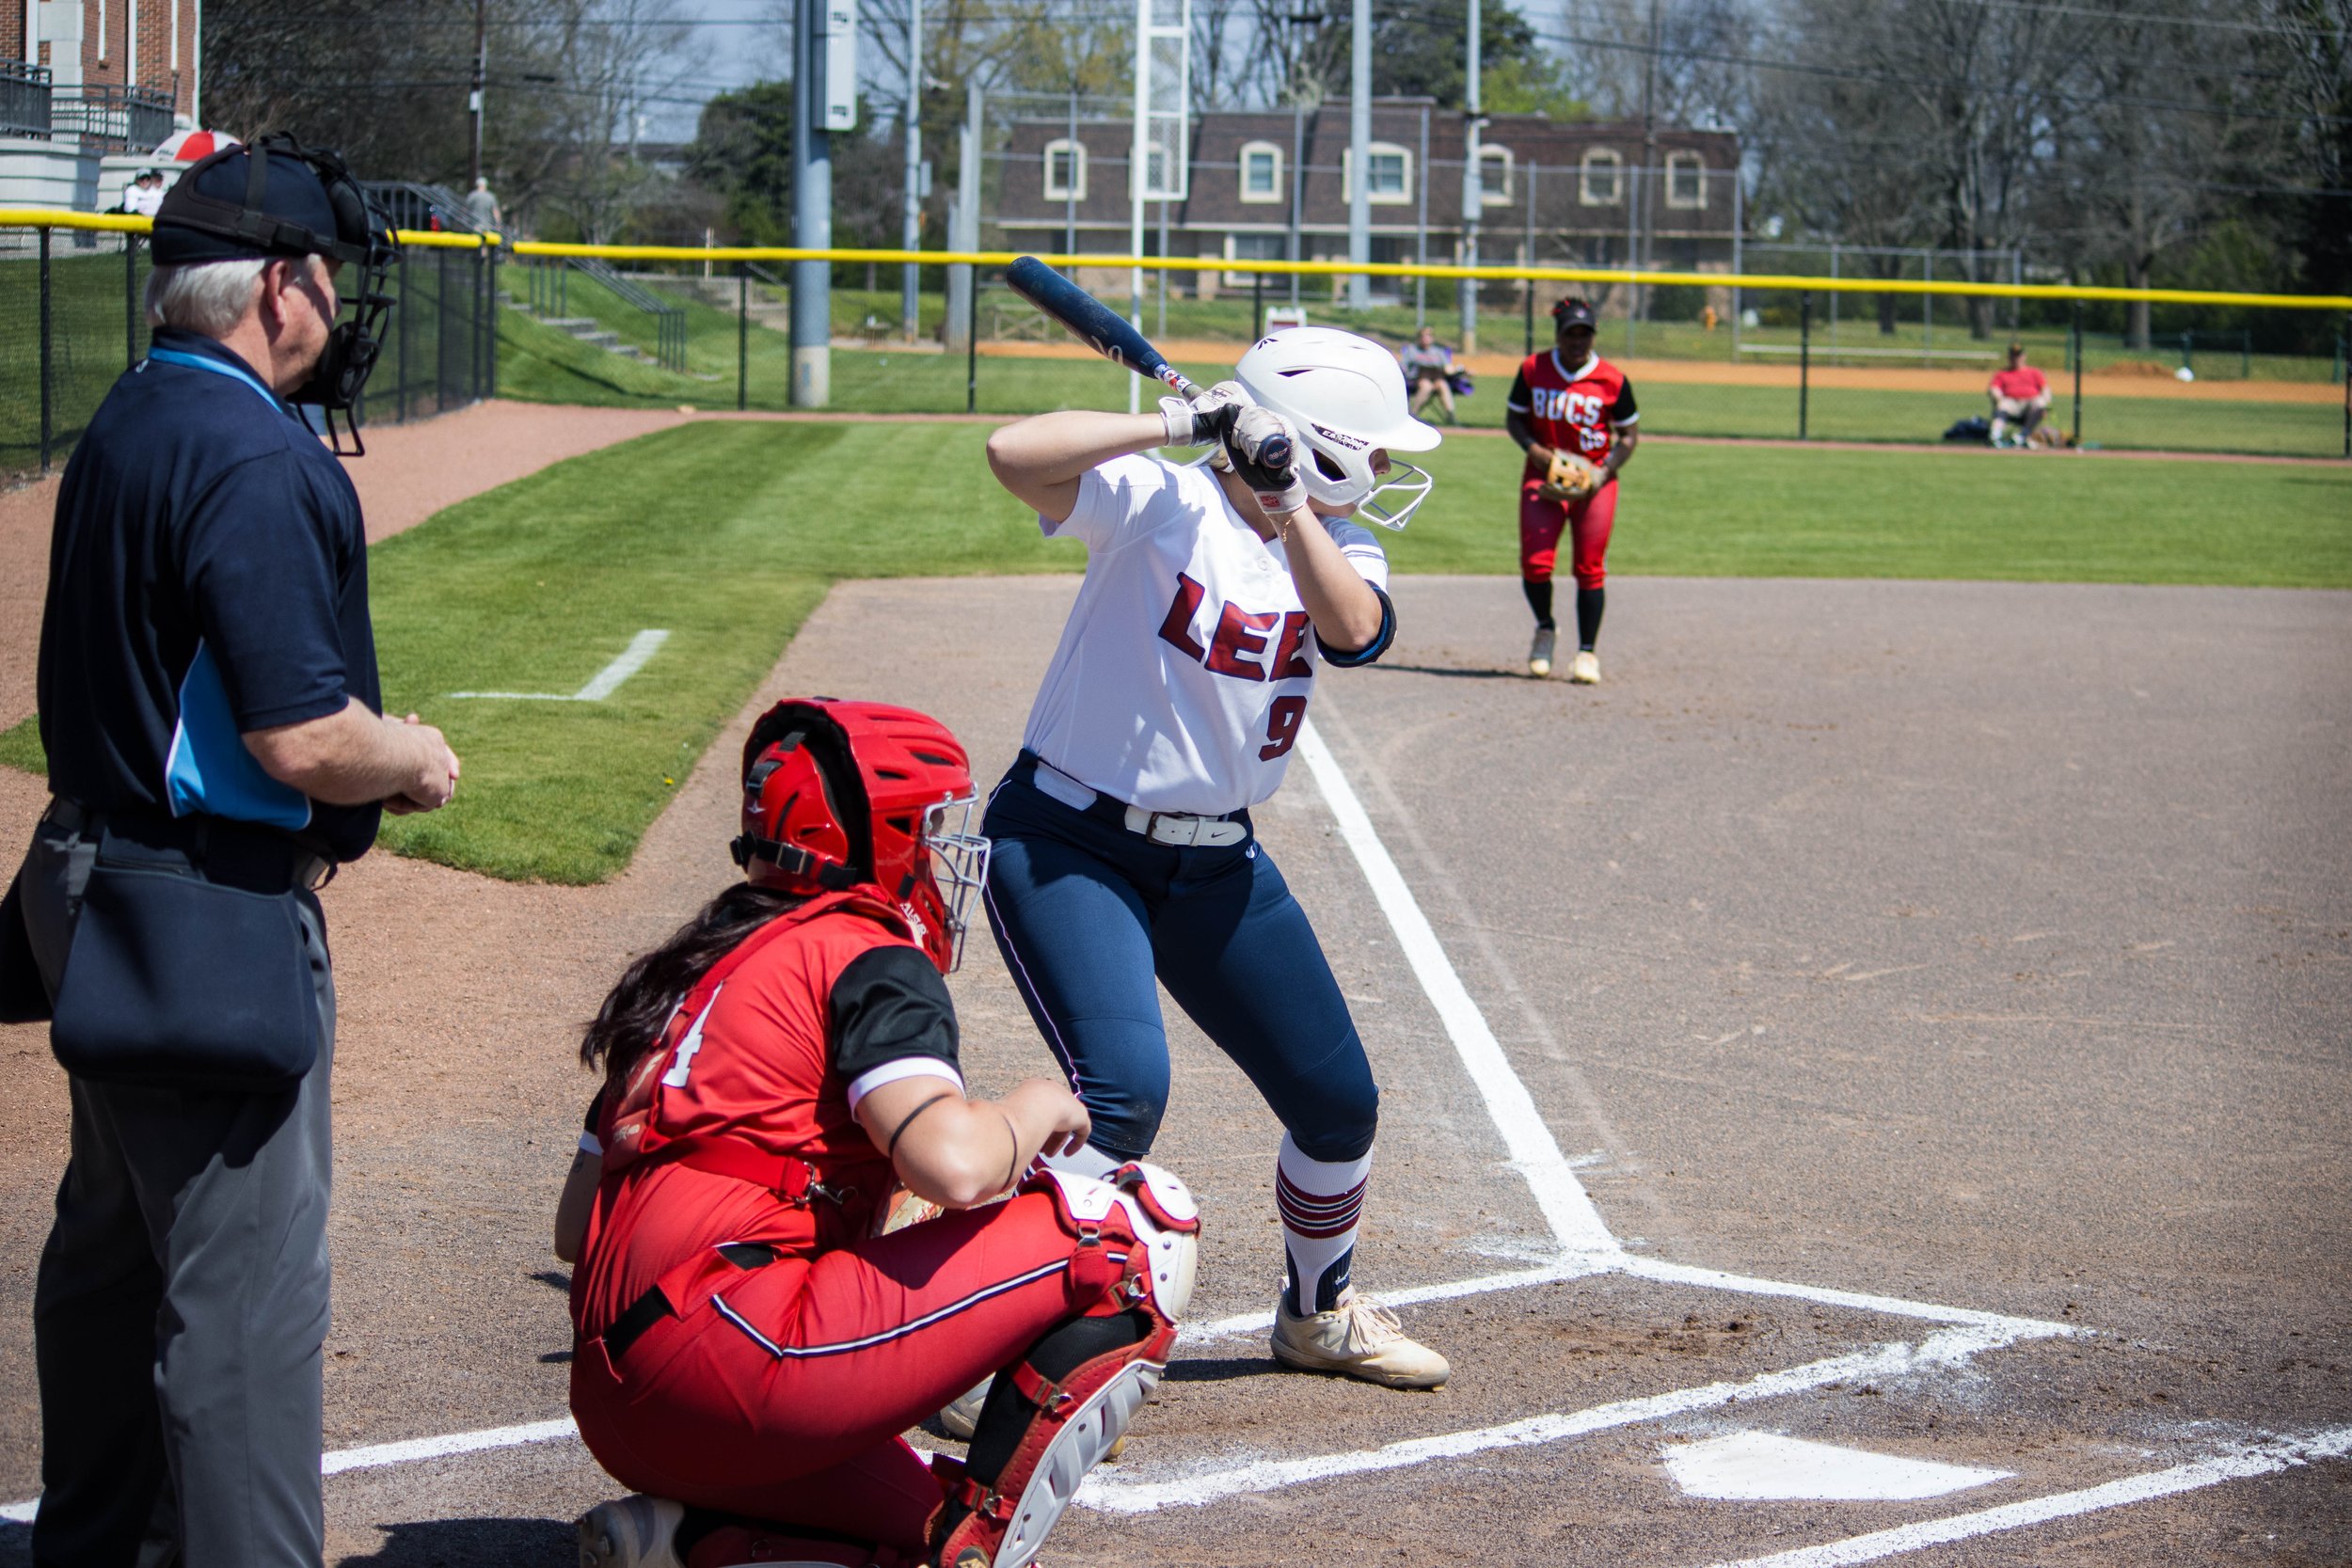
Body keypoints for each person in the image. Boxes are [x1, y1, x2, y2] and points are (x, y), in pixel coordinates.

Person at [9, 137, 455, 1566]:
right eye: (323, 277)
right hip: (202, 921)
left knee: (112, 1250)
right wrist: (415, 752)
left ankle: (95, 1541)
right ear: (277, 288)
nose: (335, 306)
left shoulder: (137, 409)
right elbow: (305, 741)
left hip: (88, 893)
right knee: (245, 1305)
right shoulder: (257, 455)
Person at [562, 698, 1198, 1568]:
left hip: (615, 1403)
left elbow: (574, 1226)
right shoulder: (865, 950)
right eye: (929, 828)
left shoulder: (693, 965)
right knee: (1138, 1230)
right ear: (882, 835)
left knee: (919, 1532)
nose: (940, 854)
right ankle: (991, 1554)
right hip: (730, 1361)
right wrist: (1037, 1106)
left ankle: (683, 1539)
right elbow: (955, 1163)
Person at [977, 326, 1454, 1392]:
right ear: (1319, 438)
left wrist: (1287, 503)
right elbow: (1013, 452)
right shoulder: (1160, 497)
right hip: (1068, 842)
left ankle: (1316, 1313)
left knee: (1338, 1103)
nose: (1381, 471)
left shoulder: (1332, 540)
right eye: (1371, 449)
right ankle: (968, 1328)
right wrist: (1184, 423)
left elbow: (1355, 630)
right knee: (1123, 1094)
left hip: (1216, 863)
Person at [1506, 296, 1640, 683]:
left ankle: (1587, 653)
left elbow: (1629, 436)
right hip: (1544, 474)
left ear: (1594, 335)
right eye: (1571, 333)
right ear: (1559, 334)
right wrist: (1537, 453)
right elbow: (1514, 420)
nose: (1578, 341)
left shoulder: (1612, 379)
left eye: (1585, 333)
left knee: (1589, 568)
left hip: (1594, 482)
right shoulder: (1534, 368)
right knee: (1536, 563)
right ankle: (1546, 628)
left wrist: (1602, 472)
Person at [1987, 342, 2052, 449]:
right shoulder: (2002, 373)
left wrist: (2047, 404)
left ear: (2024, 356)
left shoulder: (2034, 372)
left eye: (2018, 355)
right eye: (2013, 355)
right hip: (2011, 403)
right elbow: (1994, 388)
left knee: (2039, 402)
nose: (2016, 358)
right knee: (2003, 404)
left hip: (2030, 404)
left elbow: (2045, 389)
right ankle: (1995, 436)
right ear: (2009, 357)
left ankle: (2022, 435)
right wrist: (1998, 398)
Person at [1399, 325, 1457, 424]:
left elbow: (1448, 368)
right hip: (1415, 380)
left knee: (1442, 384)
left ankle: (1451, 416)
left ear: (1432, 338)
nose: (1425, 338)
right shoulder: (1412, 350)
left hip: (1436, 379)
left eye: (1429, 335)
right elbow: (1403, 367)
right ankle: (1412, 416)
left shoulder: (1438, 352)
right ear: (1418, 337)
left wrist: (1460, 371)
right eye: (1423, 335)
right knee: (1426, 385)